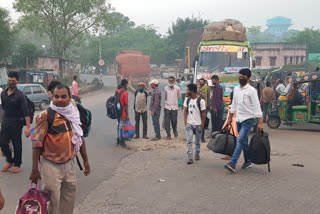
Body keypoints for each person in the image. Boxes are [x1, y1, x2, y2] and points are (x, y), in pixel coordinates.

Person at [29, 85, 90, 214]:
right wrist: (35, 169)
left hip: (69, 164)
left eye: (63, 96)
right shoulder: (46, 116)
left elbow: (80, 137)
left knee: (68, 201)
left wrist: (85, 161)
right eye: (56, 96)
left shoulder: (73, 113)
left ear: (69, 98)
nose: (59, 100)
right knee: (52, 202)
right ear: (52, 97)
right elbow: (37, 143)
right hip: (51, 165)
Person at [225, 68, 263, 173]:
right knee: (244, 142)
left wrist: (260, 123)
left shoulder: (252, 91)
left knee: (240, 140)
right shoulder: (236, 89)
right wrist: (229, 118)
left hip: (248, 119)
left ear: (248, 78)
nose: (241, 78)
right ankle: (248, 161)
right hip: (238, 119)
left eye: (243, 77)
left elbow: (256, 106)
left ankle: (233, 162)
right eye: (240, 77)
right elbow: (234, 105)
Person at [0, 72, 31, 174]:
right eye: (9, 80)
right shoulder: (3, 93)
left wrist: (28, 128)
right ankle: (10, 161)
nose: (11, 82)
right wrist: (1, 121)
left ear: (17, 81)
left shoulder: (20, 95)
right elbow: (3, 108)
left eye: (13, 81)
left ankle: (17, 164)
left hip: (17, 122)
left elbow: (26, 112)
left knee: (17, 144)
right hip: (6, 122)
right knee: (3, 142)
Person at [184, 83, 206, 164]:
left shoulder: (201, 101)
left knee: (197, 141)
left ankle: (197, 153)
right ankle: (190, 157)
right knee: (189, 141)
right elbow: (185, 111)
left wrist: (202, 124)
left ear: (192, 91)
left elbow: (204, 113)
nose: (187, 91)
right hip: (189, 124)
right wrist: (185, 122)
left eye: (188, 90)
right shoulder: (187, 99)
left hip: (198, 125)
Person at [116, 79, 130, 147]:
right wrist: (128, 115)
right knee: (121, 126)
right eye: (127, 84)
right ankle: (121, 141)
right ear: (125, 84)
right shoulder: (125, 93)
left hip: (117, 111)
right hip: (123, 112)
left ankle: (118, 139)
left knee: (118, 125)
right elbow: (126, 105)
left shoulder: (117, 91)